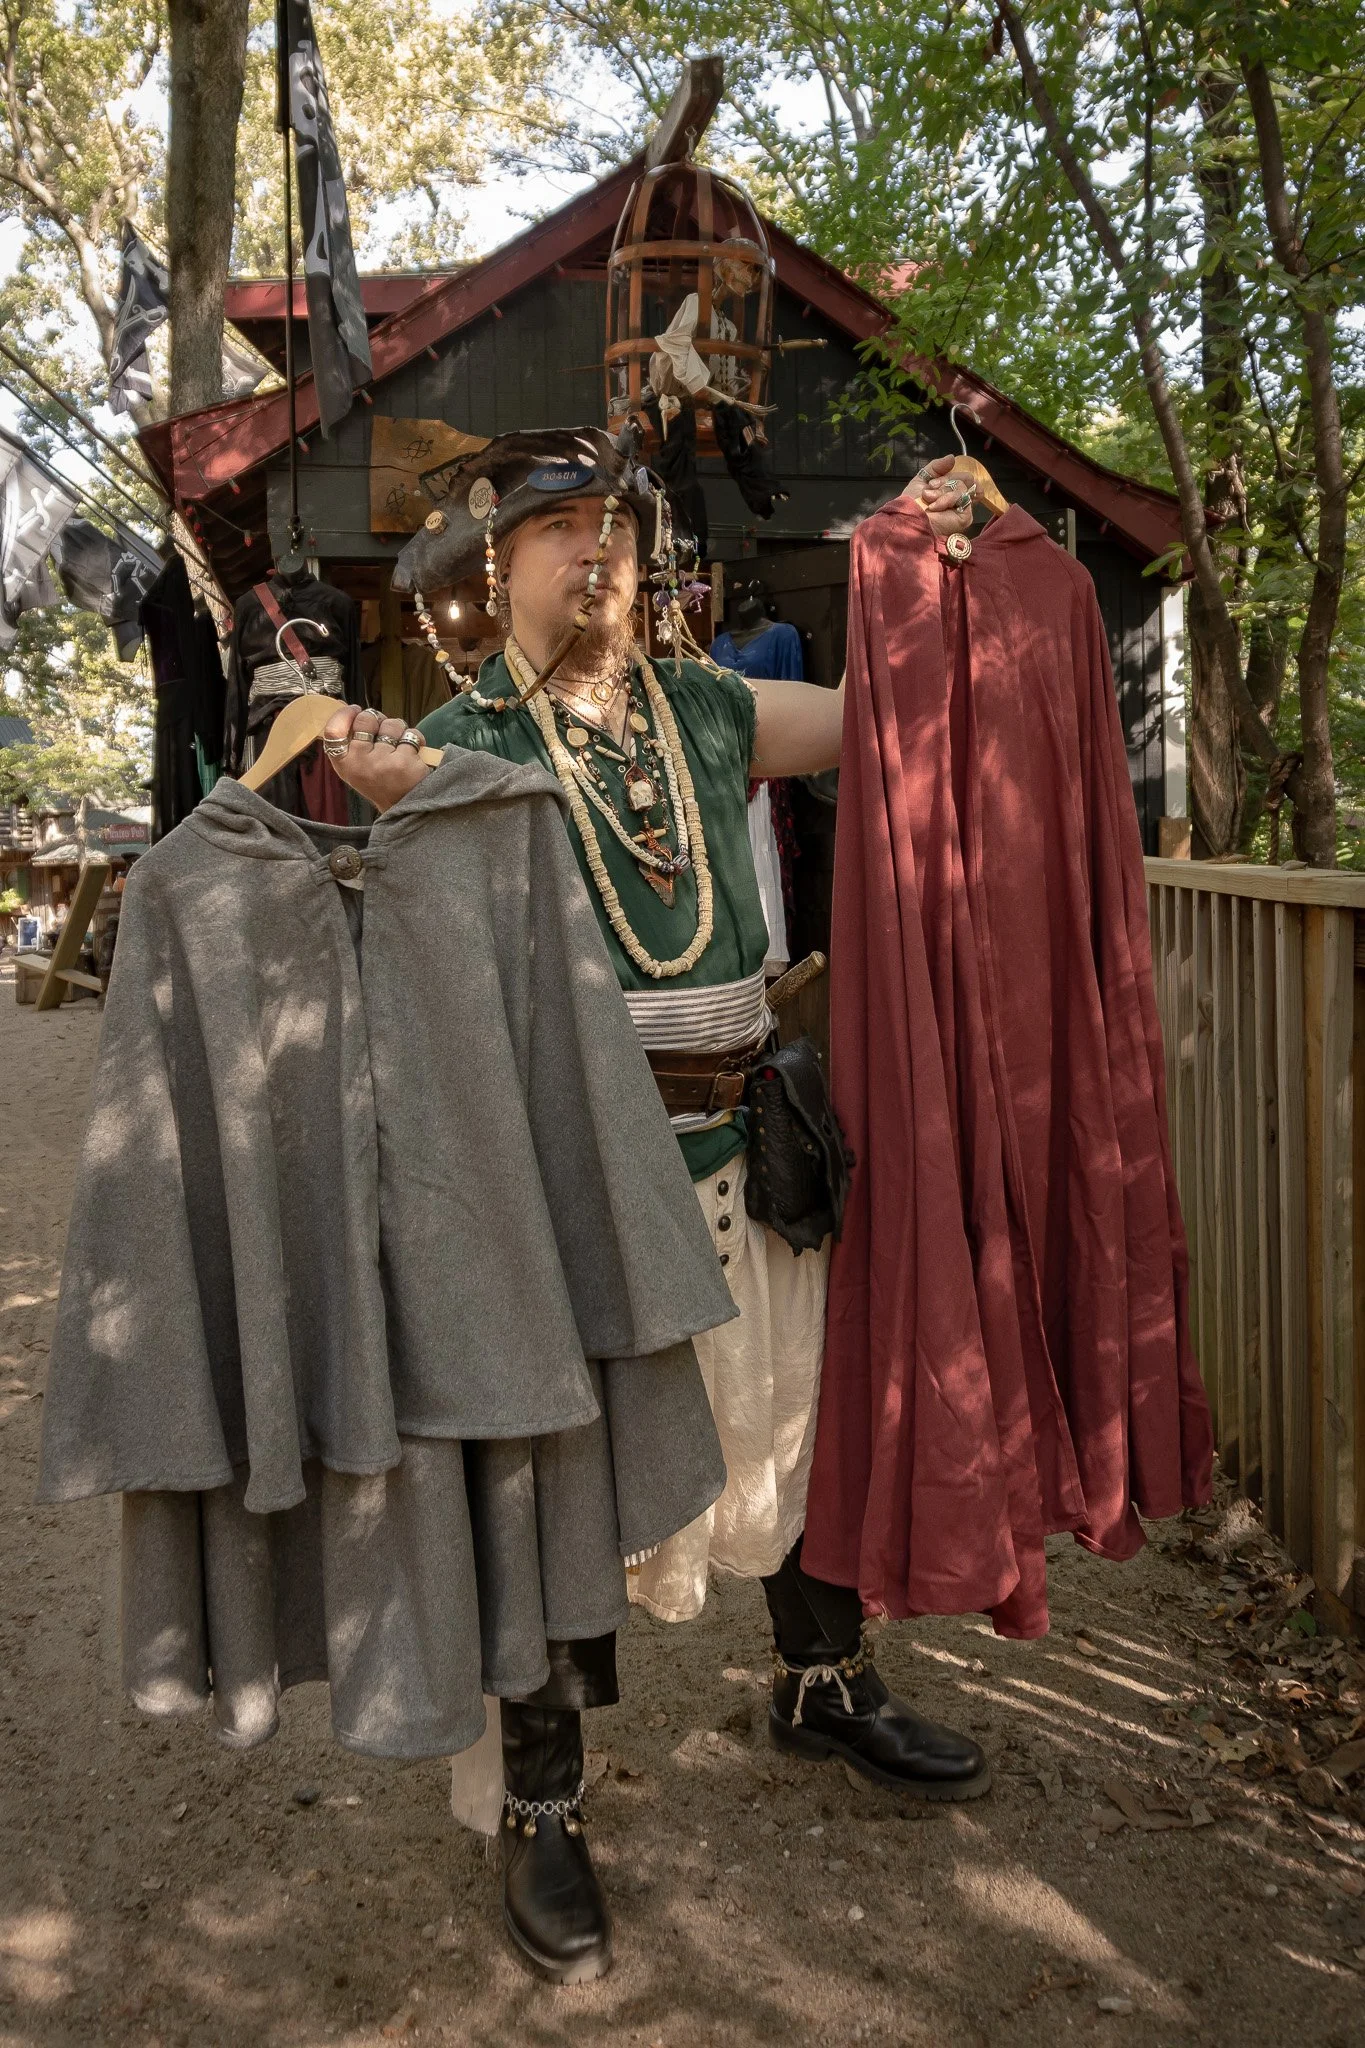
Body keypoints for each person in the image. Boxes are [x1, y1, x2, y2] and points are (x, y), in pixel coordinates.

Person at [324, 429, 991, 1960]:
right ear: (499, 567)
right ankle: (544, 1803)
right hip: (577, 1181)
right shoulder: (464, 735)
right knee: (562, 1483)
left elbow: (891, 713)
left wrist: (941, 570)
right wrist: (388, 800)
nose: (595, 551)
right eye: (558, 529)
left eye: (614, 524)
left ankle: (822, 1688)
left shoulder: (703, 706)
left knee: (794, 1419)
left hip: (753, 1144)